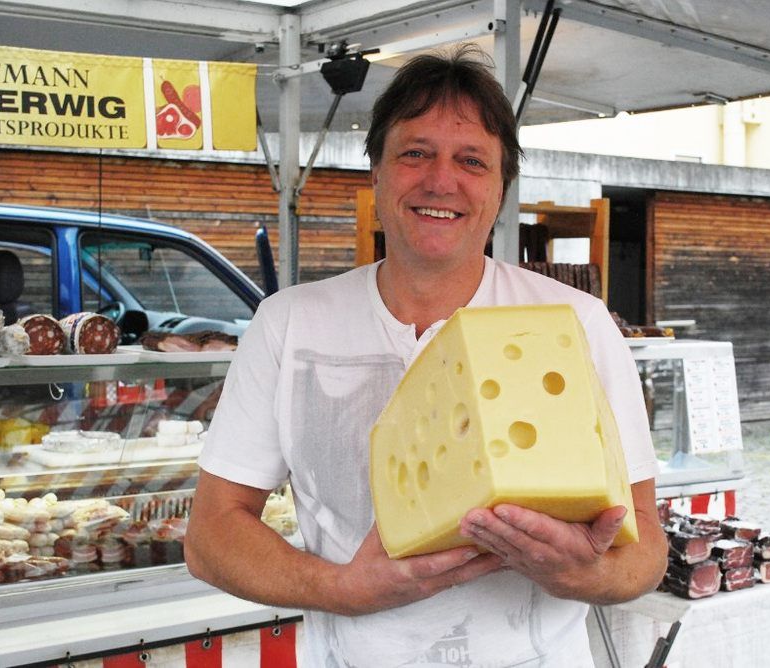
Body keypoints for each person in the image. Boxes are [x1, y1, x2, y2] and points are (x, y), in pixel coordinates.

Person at [185, 43, 667, 667]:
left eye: (472, 160)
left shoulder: (577, 323)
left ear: (499, 192)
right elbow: (212, 535)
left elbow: (647, 548)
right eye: (415, 153)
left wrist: (579, 575)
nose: (442, 180)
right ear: (376, 174)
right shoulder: (289, 324)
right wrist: (342, 589)